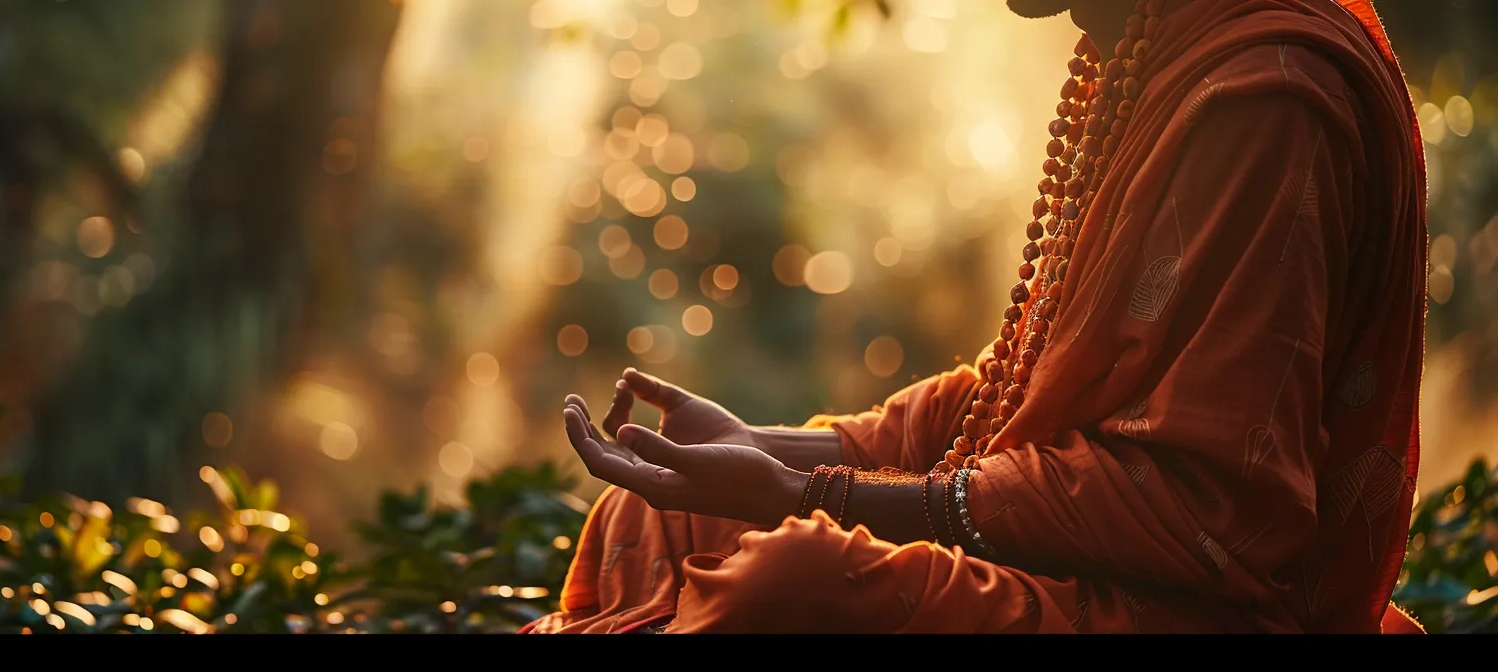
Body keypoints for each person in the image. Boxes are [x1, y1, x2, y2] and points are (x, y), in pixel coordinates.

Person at [529, 0, 1431, 634]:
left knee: (794, 585)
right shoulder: (1150, 47)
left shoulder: (1262, 97)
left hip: (1190, 605)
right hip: (1074, 550)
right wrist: (774, 450)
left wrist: (814, 498)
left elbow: (1198, 504)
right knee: (652, 520)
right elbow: (1025, 383)